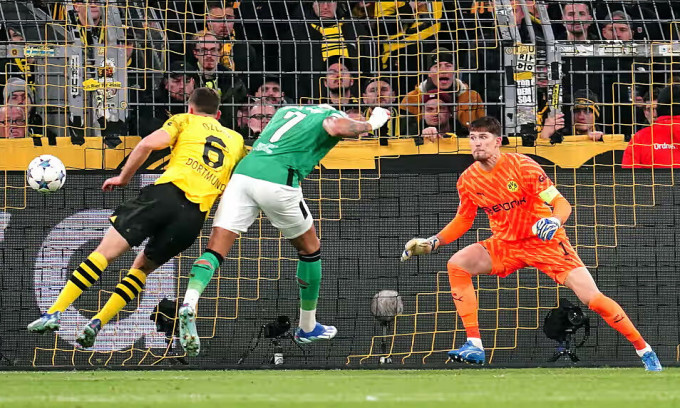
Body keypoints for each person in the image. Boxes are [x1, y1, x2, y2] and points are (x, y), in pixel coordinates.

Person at [403, 116, 662, 371]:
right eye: (472, 138)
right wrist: (433, 242)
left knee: (593, 299)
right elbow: (463, 220)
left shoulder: (523, 166)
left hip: (546, 243)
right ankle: (474, 344)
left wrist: (554, 221)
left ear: (498, 142)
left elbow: (561, 204)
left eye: (483, 137)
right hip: (506, 245)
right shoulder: (468, 180)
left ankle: (644, 350)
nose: (477, 144)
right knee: (457, 264)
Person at [27, 88, 247, 349]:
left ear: (190, 108)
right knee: (141, 270)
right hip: (193, 217)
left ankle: (55, 312)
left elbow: (147, 144)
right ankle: (98, 322)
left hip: (164, 195)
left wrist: (123, 178)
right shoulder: (236, 140)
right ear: (219, 114)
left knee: (104, 253)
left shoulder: (183, 120)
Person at [177, 104, 391, 356]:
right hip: (279, 181)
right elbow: (335, 127)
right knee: (310, 250)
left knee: (215, 250)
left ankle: (190, 301)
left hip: (243, 175)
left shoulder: (286, 110)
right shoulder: (330, 116)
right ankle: (308, 326)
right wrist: (372, 123)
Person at [622, 84, 680, 168]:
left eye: (655, 108)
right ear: (644, 112)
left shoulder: (640, 138)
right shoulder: (640, 138)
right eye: (649, 109)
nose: (654, 114)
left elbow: (628, 177)